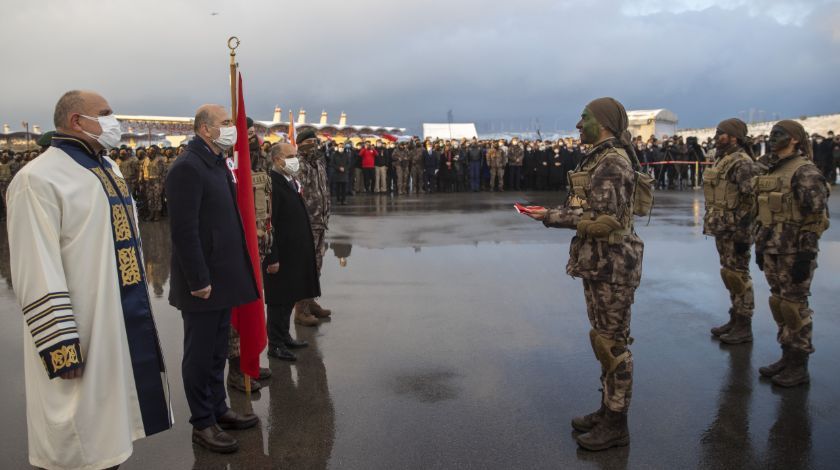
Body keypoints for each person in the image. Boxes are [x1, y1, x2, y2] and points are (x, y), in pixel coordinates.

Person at [7, 89, 173, 469]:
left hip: (114, 319)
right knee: (77, 443)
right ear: (76, 121)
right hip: (77, 327)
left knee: (108, 436)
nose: (114, 121)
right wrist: (60, 344)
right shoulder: (38, 178)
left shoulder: (108, 168)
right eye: (106, 113)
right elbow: (36, 267)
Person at [526, 97, 644, 451]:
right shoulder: (598, 158)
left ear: (604, 123)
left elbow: (603, 220)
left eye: (585, 118)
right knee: (603, 340)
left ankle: (617, 423)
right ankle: (608, 410)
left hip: (612, 264)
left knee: (613, 345)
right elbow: (586, 208)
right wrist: (552, 212)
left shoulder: (612, 163)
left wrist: (549, 216)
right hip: (598, 261)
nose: (579, 125)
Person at [165, 103, 260, 454]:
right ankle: (202, 423)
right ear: (205, 129)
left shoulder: (217, 163)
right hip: (203, 283)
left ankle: (219, 407)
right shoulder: (188, 168)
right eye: (224, 123)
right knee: (200, 354)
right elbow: (184, 231)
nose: (232, 128)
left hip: (224, 277)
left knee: (218, 350)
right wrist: (197, 280)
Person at [754, 120, 830, 388]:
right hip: (773, 248)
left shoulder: (805, 172)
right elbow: (764, 213)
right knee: (780, 304)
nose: (773, 137)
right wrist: (760, 246)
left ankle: (799, 364)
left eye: (779, 134)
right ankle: (786, 355)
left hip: (795, 252)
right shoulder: (774, 168)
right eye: (772, 133)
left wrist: (806, 256)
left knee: (795, 307)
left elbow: (815, 217)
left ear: (795, 139)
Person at [704, 118, 761, 344]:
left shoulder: (742, 162)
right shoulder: (724, 160)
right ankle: (735, 318)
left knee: (739, 276)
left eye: (722, 134)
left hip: (736, 230)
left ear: (734, 137)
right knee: (730, 274)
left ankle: (744, 325)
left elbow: (753, 199)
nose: (717, 137)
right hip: (723, 227)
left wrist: (743, 234)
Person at [263, 143, 321, 361]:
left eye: (295, 155)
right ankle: (275, 344)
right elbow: (269, 224)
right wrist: (272, 256)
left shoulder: (288, 180)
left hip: (293, 253)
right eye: (290, 156)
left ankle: (285, 336)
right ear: (277, 160)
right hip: (280, 255)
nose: (294, 160)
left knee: (288, 298)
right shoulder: (272, 184)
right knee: (278, 301)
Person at [296, 129, 333, 324]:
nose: (314, 144)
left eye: (315, 140)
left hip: (320, 221)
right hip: (306, 222)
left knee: (317, 265)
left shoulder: (318, 162)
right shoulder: (298, 164)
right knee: (305, 267)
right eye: (309, 141)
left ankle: (311, 302)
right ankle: (300, 310)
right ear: (300, 144)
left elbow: (324, 187)